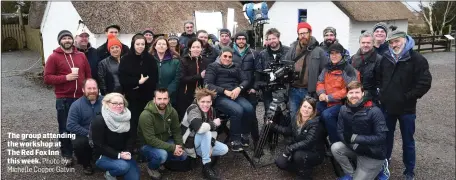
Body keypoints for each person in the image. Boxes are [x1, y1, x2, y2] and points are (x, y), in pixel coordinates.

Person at [377, 30, 432, 180]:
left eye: (397, 41)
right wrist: (382, 94)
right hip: (388, 107)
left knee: (408, 140)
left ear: (405, 40)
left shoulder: (417, 59)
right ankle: (384, 164)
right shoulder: (385, 59)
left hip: (407, 108)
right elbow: (380, 78)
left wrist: (408, 97)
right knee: (386, 137)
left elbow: (425, 82)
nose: (394, 44)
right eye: (391, 42)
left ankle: (409, 170)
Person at [43, 30, 92, 167]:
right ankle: (67, 154)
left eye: (69, 38)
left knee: (82, 126)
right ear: (60, 41)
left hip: (81, 98)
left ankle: (82, 153)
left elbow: (88, 74)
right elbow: (47, 78)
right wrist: (66, 78)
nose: (67, 40)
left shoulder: (81, 55)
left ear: (73, 40)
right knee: (65, 128)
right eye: (64, 38)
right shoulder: (53, 57)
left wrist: (89, 90)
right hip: (64, 98)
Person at [331, 81, 389, 180]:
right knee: (335, 147)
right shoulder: (343, 109)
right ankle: (350, 174)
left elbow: (381, 137)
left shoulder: (374, 111)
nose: (354, 96)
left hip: (373, 154)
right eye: (351, 92)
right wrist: (353, 145)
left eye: (357, 92)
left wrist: (356, 138)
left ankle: (382, 166)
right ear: (347, 94)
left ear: (362, 93)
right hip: (356, 148)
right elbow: (340, 131)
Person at [204, 47, 255, 152]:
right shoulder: (213, 66)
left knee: (249, 108)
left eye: (230, 57)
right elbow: (207, 84)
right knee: (237, 110)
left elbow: (245, 80)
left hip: (234, 94)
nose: (227, 58)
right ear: (220, 56)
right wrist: (224, 91)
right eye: (225, 56)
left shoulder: (236, 66)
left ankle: (244, 134)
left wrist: (239, 88)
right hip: (219, 96)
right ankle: (235, 140)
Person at [119, 33, 159, 153]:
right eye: (138, 44)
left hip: (146, 96)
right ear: (133, 44)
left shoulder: (150, 59)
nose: (140, 46)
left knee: (146, 122)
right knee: (133, 121)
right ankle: (132, 146)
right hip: (132, 96)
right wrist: (137, 82)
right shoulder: (125, 59)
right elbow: (123, 79)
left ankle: (145, 146)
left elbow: (154, 78)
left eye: (142, 44)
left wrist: (144, 84)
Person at [268, 97, 325, 180]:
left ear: (313, 111)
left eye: (309, 108)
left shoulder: (316, 123)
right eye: (304, 106)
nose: (306, 109)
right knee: (280, 163)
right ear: (300, 107)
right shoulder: (296, 118)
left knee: (298, 156)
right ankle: (303, 168)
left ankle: (305, 175)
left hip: (314, 152)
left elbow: (308, 142)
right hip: (299, 148)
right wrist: (273, 125)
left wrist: (290, 149)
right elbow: (288, 130)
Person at [138, 88, 187, 180]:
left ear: (169, 99)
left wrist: (179, 146)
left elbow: (176, 130)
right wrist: (172, 148)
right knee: (162, 155)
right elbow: (150, 139)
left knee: (182, 155)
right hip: (146, 144)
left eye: (165, 99)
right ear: (154, 99)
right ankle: (151, 167)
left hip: (164, 140)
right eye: (159, 99)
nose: (162, 101)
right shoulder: (146, 115)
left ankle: (160, 162)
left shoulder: (172, 111)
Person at [284, 22, 328, 122]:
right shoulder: (292, 49)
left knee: (309, 117)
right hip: (293, 90)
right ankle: (296, 137)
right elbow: (286, 66)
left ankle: (307, 137)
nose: (303, 36)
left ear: (310, 33)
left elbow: (324, 72)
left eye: (305, 33)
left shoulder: (319, 51)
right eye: (300, 34)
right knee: (294, 115)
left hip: (309, 91)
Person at [181, 88, 229, 180]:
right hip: (188, 142)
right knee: (205, 132)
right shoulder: (193, 109)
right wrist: (214, 123)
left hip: (200, 141)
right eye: (203, 101)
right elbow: (199, 129)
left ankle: (204, 155)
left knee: (224, 149)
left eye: (208, 101)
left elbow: (214, 131)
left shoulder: (211, 110)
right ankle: (206, 166)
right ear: (197, 101)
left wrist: (210, 146)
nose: (205, 104)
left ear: (211, 102)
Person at [316, 43, 358, 144]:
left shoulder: (347, 69)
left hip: (342, 103)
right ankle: (320, 139)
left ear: (342, 54)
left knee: (327, 115)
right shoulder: (327, 68)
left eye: (337, 53)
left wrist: (329, 97)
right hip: (326, 100)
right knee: (314, 110)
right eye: (331, 53)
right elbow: (320, 82)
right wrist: (321, 93)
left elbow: (350, 89)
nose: (334, 56)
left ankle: (336, 143)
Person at [91, 93, 140, 180]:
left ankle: (121, 166)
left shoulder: (128, 117)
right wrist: (118, 155)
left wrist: (127, 151)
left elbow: (131, 138)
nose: (118, 106)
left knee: (134, 178)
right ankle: (110, 174)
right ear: (107, 104)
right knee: (123, 167)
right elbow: (99, 145)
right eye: (114, 103)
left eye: (121, 103)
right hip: (104, 155)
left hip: (123, 152)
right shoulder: (99, 121)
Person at [66, 78, 102, 175]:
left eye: (94, 88)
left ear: (98, 89)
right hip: (84, 133)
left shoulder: (105, 102)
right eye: (89, 88)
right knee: (79, 143)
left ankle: (105, 160)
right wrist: (89, 134)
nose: (92, 91)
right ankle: (86, 164)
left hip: (102, 133)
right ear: (83, 90)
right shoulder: (76, 105)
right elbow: (71, 125)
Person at [255, 28, 290, 118]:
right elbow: (259, 71)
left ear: (278, 38)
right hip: (268, 89)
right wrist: (258, 87)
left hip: (285, 88)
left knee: (285, 113)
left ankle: (283, 131)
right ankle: (269, 131)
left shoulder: (288, 51)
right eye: (269, 39)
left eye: (274, 38)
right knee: (269, 113)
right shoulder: (262, 54)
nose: (272, 41)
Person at [176, 38, 208, 120]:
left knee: (198, 117)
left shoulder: (205, 61)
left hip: (200, 94)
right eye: (193, 47)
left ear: (201, 48)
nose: (196, 49)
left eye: (198, 47)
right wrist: (199, 76)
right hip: (186, 93)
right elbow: (182, 78)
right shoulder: (183, 60)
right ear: (190, 48)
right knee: (185, 117)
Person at [350, 31, 382, 106]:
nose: (365, 45)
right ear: (359, 43)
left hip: (371, 97)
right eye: (363, 42)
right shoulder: (353, 58)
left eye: (368, 43)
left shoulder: (379, 60)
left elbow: (380, 83)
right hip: (354, 93)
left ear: (373, 43)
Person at [150, 37, 180, 106]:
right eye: (159, 44)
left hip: (170, 96)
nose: (161, 45)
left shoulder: (175, 61)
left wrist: (167, 92)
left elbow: (177, 78)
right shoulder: (149, 60)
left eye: (164, 44)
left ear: (167, 47)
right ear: (155, 46)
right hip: (153, 96)